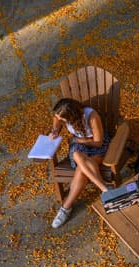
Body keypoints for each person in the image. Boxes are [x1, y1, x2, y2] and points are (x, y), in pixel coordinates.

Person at [48, 98, 112, 228]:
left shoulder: (91, 116)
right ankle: (105, 189)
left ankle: (65, 208)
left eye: (63, 120)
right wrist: (55, 131)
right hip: (79, 144)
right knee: (78, 156)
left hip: (95, 144)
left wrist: (80, 140)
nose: (60, 121)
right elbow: (56, 119)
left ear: (71, 115)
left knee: (81, 169)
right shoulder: (61, 117)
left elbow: (98, 142)